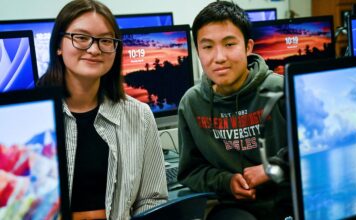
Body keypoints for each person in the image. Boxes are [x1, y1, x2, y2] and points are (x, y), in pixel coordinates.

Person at [37, 0, 168, 219]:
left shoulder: (139, 115)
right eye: (81, 38)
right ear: (58, 45)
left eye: (106, 40)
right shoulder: (30, 115)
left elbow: (151, 199)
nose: (94, 49)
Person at [177, 1, 292, 219]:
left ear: (248, 47)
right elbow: (190, 171)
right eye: (208, 47)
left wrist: (272, 168)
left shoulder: (281, 89)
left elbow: (315, 146)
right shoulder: (192, 104)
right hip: (233, 205)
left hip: (288, 198)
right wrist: (226, 182)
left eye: (229, 44)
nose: (219, 57)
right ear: (198, 51)